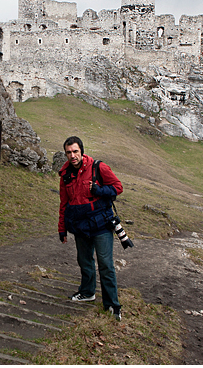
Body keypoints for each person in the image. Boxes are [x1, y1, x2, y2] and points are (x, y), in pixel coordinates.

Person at [58, 136, 123, 320]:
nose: (72, 156)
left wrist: (99, 190)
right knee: (84, 261)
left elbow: (118, 188)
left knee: (105, 264)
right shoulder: (65, 174)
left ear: (82, 151)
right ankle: (87, 293)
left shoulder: (98, 167)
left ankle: (112, 305)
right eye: (69, 152)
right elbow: (64, 203)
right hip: (79, 226)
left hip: (101, 225)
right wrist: (62, 228)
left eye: (75, 151)